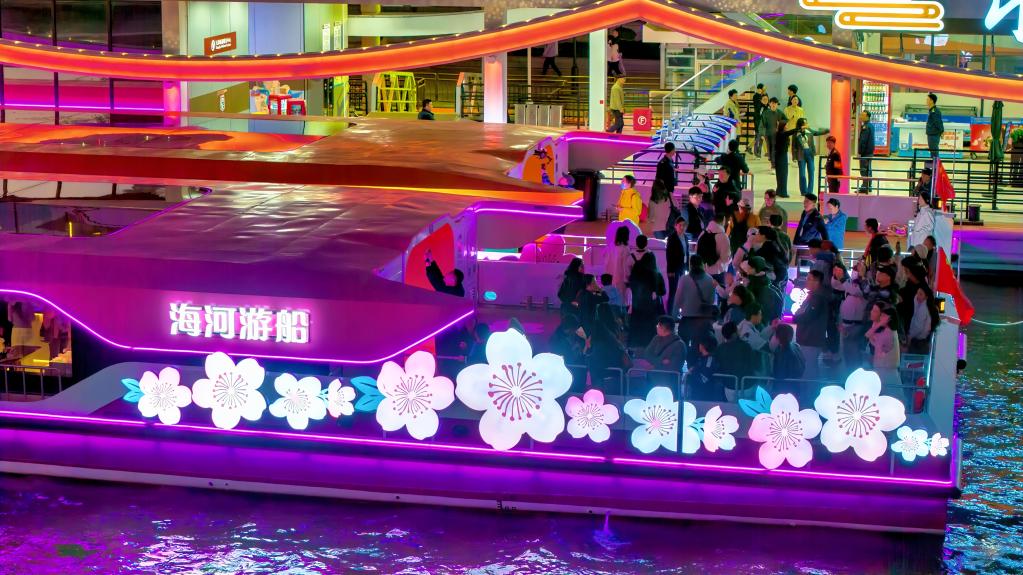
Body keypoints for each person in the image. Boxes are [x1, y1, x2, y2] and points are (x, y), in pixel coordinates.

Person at [674, 254, 717, 354]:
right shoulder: (710, 279)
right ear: (702, 264)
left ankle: (686, 362)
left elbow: (677, 300)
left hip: (687, 319)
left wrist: (675, 315)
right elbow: (712, 301)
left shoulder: (684, 279)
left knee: (683, 347)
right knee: (699, 347)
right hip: (704, 320)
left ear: (691, 265)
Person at [714, 321, 766, 401]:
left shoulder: (720, 349)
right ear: (734, 333)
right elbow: (754, 363)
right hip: (747, 385)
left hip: (729, 386)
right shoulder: (745, 346)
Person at [832, 263, 869, 373]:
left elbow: (857, 291)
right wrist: (836, 275)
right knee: (846, 348)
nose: (855, 270)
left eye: (859, 268)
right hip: (846, 321)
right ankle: (849, 371)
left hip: (857, 322)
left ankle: (856, 371)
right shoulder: (850, 281)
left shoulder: (866, 282)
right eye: (855, 268)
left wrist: (842, 278)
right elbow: (836, 285)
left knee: (854, 348)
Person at [793, 269, 829, 380]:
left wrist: (796, 318)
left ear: (817, 282)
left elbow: (809, 316)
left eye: (809, 279)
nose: (806, 281)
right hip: (808, 337)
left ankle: (809, 389)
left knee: (808, 368)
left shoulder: (818, 298)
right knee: (809, 366)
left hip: (810, 338)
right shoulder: (814, 296)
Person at [628, 249, 665, 348]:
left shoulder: (636, 274)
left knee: (637, 333)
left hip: (637, 308)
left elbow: (631, 286)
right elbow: (663, 291)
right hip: (651, 309)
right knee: (649, 334)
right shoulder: (656, 274)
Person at [588, 302, 628, 390]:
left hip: (600, 361)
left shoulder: (597, 327)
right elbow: (621, 341)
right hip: (614, 359)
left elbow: (590, 344)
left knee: (598, 387)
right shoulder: (615, 325)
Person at [866, 302, 902, 392]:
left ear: (889, 319)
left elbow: (869, 336)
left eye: (883, 316)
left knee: (889, 394)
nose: (880, 318)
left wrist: (877, 325)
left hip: (886, 370)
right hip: (885, 369)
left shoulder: (888, 332)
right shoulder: (890, 331)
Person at [793, 118, 830, 197]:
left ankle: (810, 191)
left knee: (811, 172)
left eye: (806, 123)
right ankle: (804, 191)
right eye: (805, 123)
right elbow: (794, 146)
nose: (806, 125)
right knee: (802, 174)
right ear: (801, 125)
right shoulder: (796, 133)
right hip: (801, 154)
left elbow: (817, 132)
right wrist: (794, 157)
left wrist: (827, 130)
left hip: (810, 154)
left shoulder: (809, 131)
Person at [687, 335, 723, 401]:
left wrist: (692, 371)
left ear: (703, 346)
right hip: (697, 393)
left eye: (700, 344)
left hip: (704, 396)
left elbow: (704, 379)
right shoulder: (701, 358)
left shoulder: (710, 360)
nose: (699, 345)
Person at [698, 212, 730, 284]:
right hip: (718, 273)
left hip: (703, 271)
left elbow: (697, 250)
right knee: (718, 290)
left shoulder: (703, 233)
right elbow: (725, 258)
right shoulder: (723, 237)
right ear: (724, 220)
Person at [907, 285, 940, 354]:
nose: (917, 296)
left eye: (921, 294)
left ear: (926, 297)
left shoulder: (924, 309)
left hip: (919, 340)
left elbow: (918, 327)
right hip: (917, 335)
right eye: (917, 293)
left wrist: (909, 337)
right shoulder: (918, 301)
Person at [665, 215, 689, 306]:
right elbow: (669, 255)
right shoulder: (672, 238)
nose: (682, 227)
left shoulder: (685, 237)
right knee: (673, 291)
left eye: (684, 225)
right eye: (680, 225)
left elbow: (686, 252)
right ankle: (670, 310)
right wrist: (671, 270)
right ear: (675, 226)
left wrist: (687, 268)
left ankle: (678, 310)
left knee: (682, 290)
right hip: (674, 269)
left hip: (683, 267)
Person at [774, 117, 799, 197]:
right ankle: (783, 192)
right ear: (783, 126)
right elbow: (792, 131)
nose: (787, 126)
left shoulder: (778, 133)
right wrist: (800, 127)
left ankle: (779, 190)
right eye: (786, 125)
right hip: (782, 156)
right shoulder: (782, 134)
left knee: (779, 175)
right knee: (783, 174)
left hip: (779, 156)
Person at [603, 225, 631, 296]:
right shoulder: (625, 248)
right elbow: (625, 265)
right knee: (621, 297)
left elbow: (605, 259)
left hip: (610, 276)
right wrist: (627, 278)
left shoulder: (611, 245)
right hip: (620, 278)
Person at [759, 97, 783, 170]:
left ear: (777, 104)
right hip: (768, 134)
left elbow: (785, 121)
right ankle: (772, 161)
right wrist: (762, 134)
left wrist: (780, 124)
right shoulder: (766, 113)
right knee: (770, 149)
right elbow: (762, 124)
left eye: (775, 103)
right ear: (769, 104)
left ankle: (773, 166)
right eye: (772, 103)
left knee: (774, 149)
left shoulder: (780, 113)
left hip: (777, 135)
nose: (773, 105)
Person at [857, 110, 875, 193]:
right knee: (868, 170)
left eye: (862, 115)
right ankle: (869, 186)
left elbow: (863, 141)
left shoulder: (865, 127)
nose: (860, 116)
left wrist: (860, 152)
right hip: (870, 152)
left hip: (865, 153)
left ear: (867, 116)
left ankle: (864, 187)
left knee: (864, 170)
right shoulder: (871, 126)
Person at [784, 95, 805, 163]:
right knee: (790, 144)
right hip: (790, 129)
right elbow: (785, 119)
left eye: (796, 100)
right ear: (791, 101)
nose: (795, 101)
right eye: (794, 99)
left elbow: (803, 119)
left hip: (798, 129)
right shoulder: (787, 109)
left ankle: (796, 157)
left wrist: (803, 127)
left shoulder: (801, 109)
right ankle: (790, 158)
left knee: (798, 143)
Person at [925, 92, 944, 158]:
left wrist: (941, 131)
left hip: (933, 135)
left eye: (927, 99)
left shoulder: (934, 111)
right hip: (931, 134)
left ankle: (935, 164)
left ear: (932, 101)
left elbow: (938, 122)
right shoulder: (932, 110)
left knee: (934, 152)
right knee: (933, 152)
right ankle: (934, 163)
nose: (926, 101)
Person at [751, 84, 767, 156]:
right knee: (759, 135)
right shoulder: (756, 96)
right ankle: (757, 152)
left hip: (761, 118)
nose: (763, 90)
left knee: (760, 136)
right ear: (759, 89)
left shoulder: (761, 95)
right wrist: (763, 103)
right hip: (758, 118)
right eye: (763, 89)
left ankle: (753, 149)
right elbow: (758, 107)